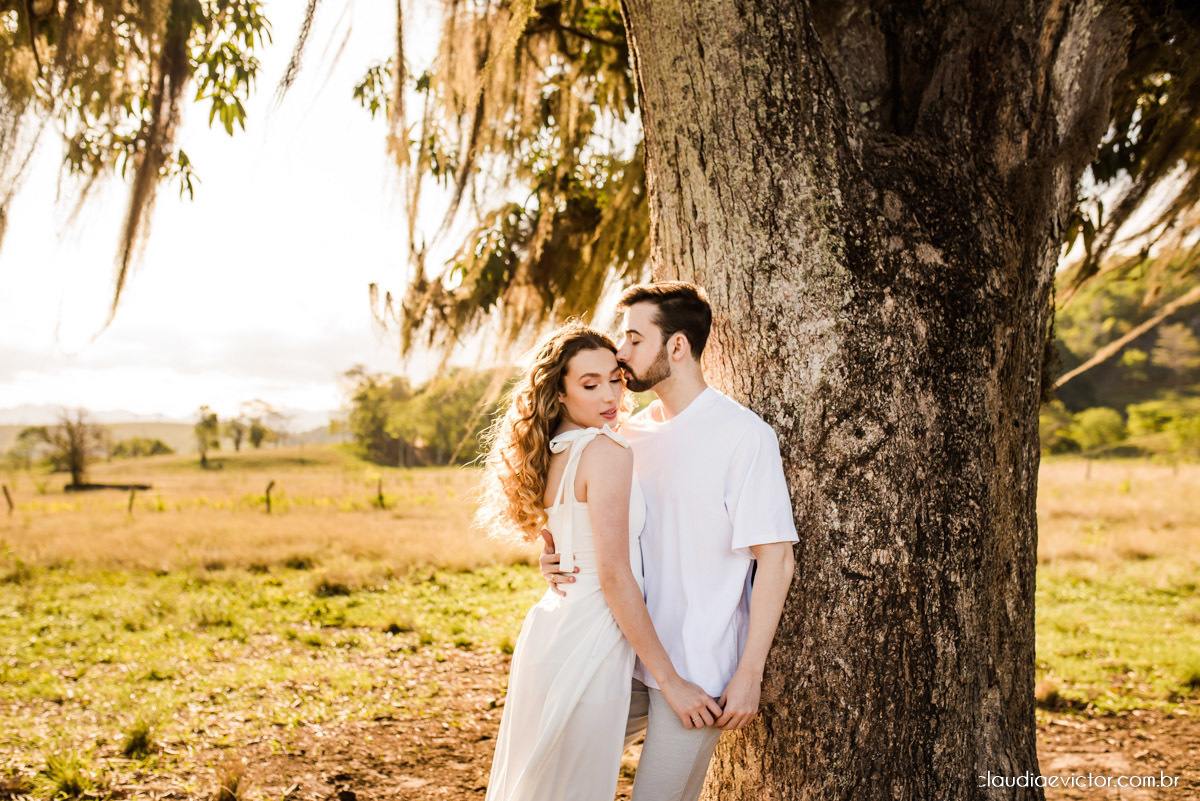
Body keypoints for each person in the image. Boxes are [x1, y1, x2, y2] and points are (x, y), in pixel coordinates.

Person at [541, 281, 798, 801]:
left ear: (676, 346)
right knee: (554, 767)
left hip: (698, 669)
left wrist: (750, 673)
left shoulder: (742, 435)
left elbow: (776, 559)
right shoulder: (625, 434)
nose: (621, 352)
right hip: (622, 653)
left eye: (635, 339)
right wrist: (555, 555)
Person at [477, 321, 719, 801]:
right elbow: (613, 575)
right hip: (593, 633)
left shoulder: (553, 450)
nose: (610, 395)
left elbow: (575, 545)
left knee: (544, 783)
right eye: (590, 385)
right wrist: (671, 682)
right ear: (559, 394)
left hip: (551, 629)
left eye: (615, 378)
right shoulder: (606, 450)